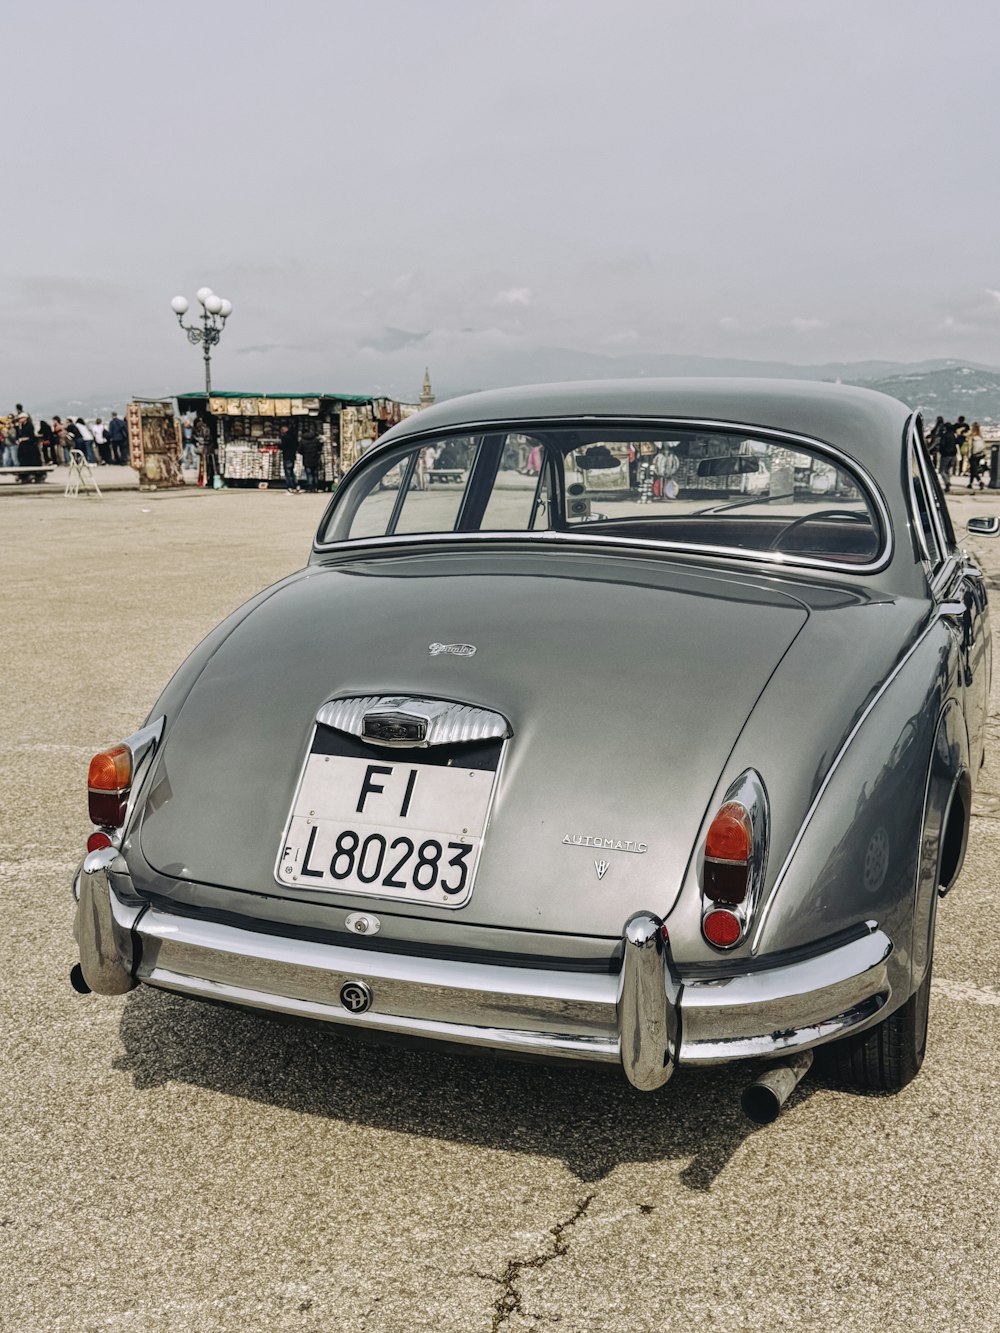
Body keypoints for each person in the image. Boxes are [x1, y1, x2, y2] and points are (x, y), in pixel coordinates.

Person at [938, 419, 958, 491]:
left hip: (946, 455)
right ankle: (947, 485)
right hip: (953, 455)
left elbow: (942, 445)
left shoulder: (945, 435)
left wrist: (941, 451)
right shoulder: (953, 435)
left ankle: (947, 483)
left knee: (942, 471)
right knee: (948, 470)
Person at [280, 422, 300, 492]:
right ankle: (296, 485)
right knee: (291, 471)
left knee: (288, 472)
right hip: (292, 456)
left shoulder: (285, 437)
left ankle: (290, 486)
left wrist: (279, 446)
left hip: (287, 456)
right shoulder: (293, 437)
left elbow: (283, 446)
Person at [968, 422, 988, 491]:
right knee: (973, 468)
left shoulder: (971, 436)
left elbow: (970, 446)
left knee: (974, 469)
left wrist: (968, 455)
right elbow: (984, 446)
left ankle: (980, 482)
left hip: (974, 455)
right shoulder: (980, 436)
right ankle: (970, 483)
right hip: (980, 454)